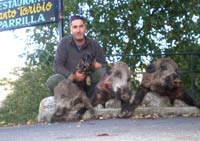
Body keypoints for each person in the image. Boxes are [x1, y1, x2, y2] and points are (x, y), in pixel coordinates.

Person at [46, 15, 107, 98]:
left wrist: (97, 65)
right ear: (71, 29)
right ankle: (71, 100)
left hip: (89, 85)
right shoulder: (64, 43)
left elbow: (105, 66)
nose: (78, 30)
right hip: (71, 84)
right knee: (53, 80)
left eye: (81, 26)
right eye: (75, 27)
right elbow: (57, 66)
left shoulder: (94, 45)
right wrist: (73, 76)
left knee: (102, 73)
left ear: (85, 27)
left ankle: (94, 100)